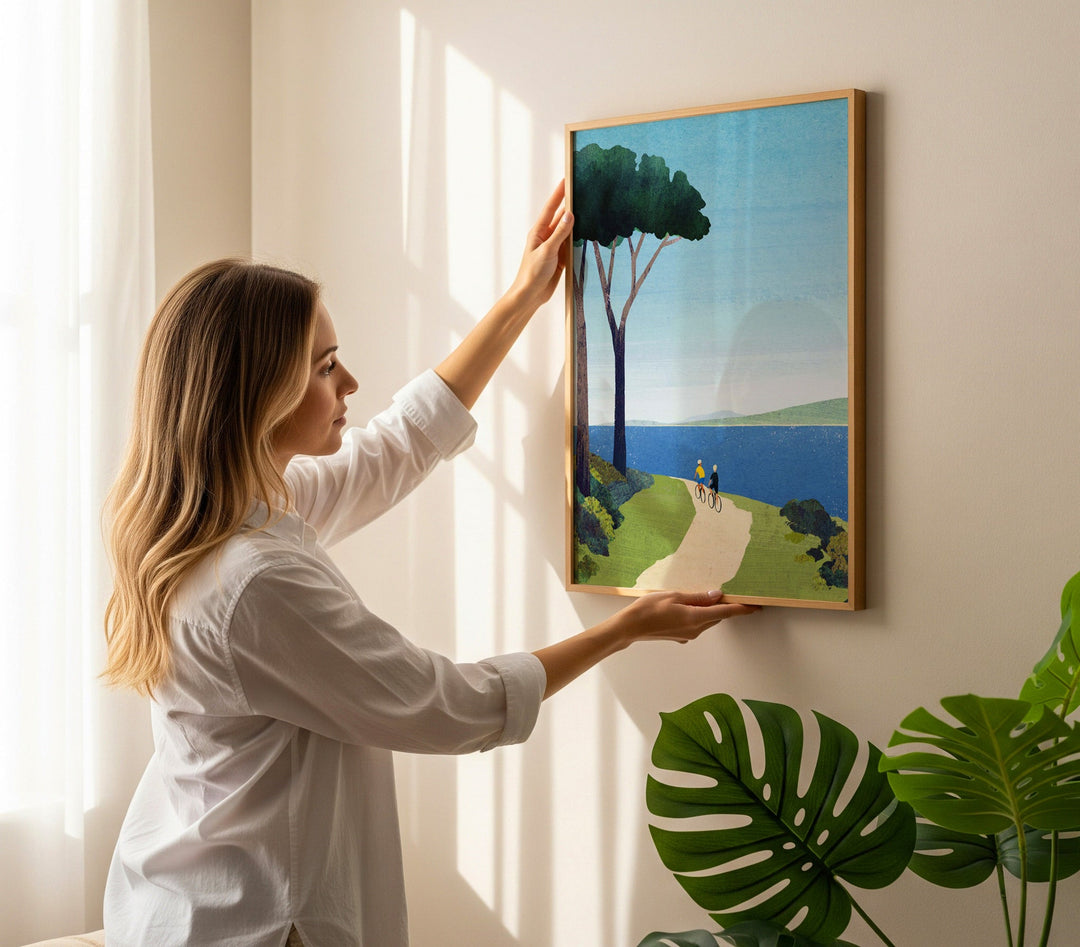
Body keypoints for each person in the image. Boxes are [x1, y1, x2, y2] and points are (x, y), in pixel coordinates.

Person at [100, 181, 758, 946]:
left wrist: (520, 299)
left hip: (181, 898)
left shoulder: (224, 514)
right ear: (256, 392)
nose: (348, 383)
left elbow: (394, 447)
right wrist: (624, 628)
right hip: (255, 921)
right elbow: (448, 703)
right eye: (325, 367)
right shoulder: (254, 581)